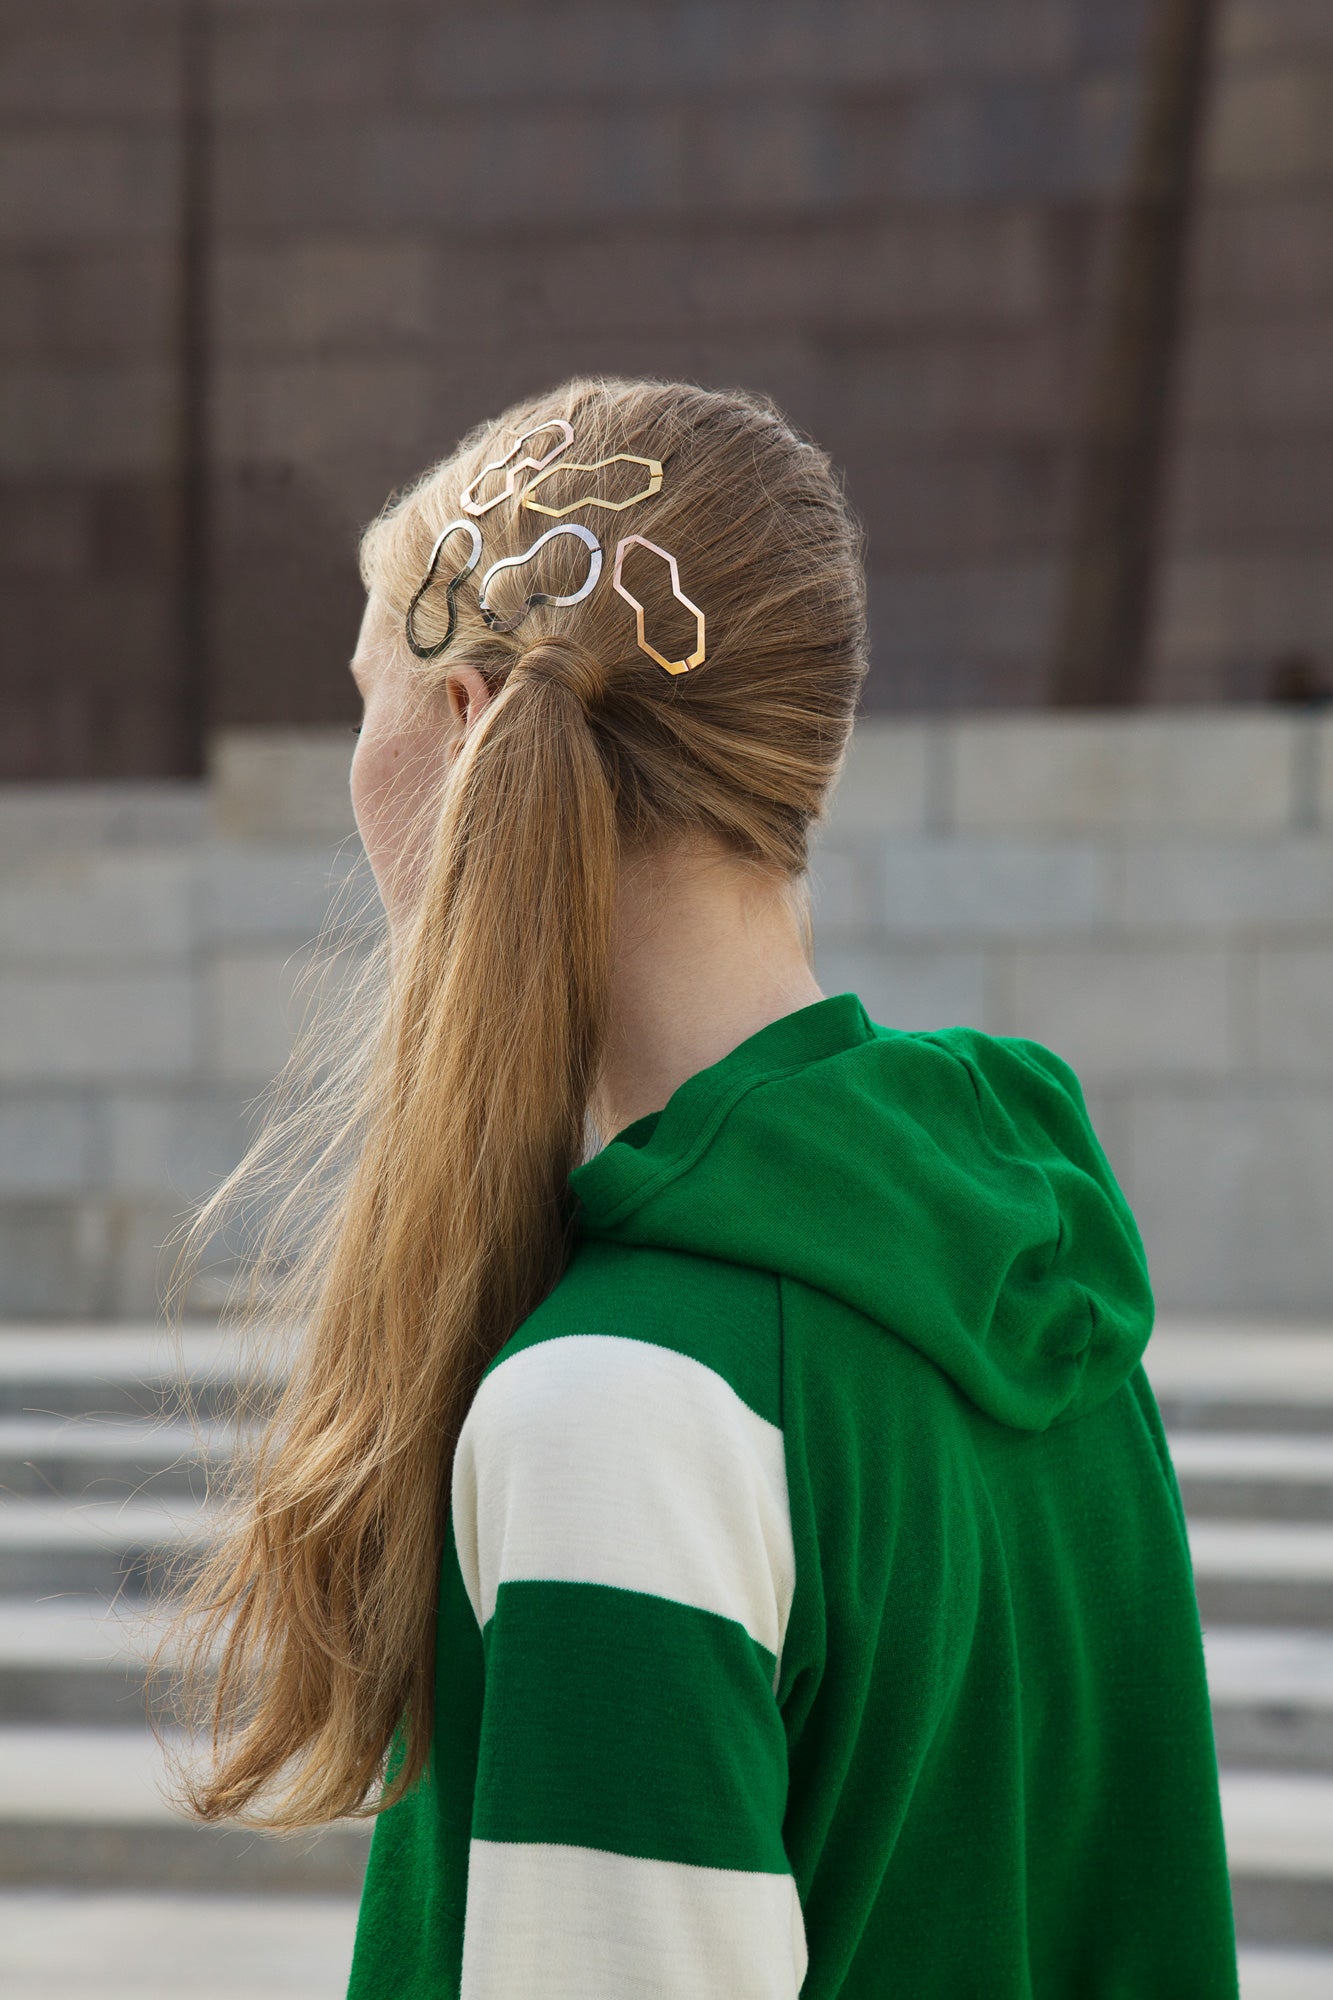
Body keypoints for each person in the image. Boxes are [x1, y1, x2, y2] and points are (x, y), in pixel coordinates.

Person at [154, 376, 1239, 1996]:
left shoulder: (620, 1404)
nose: (355, 772)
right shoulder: (1037, 1280)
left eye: (366, 698)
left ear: (464, 730)